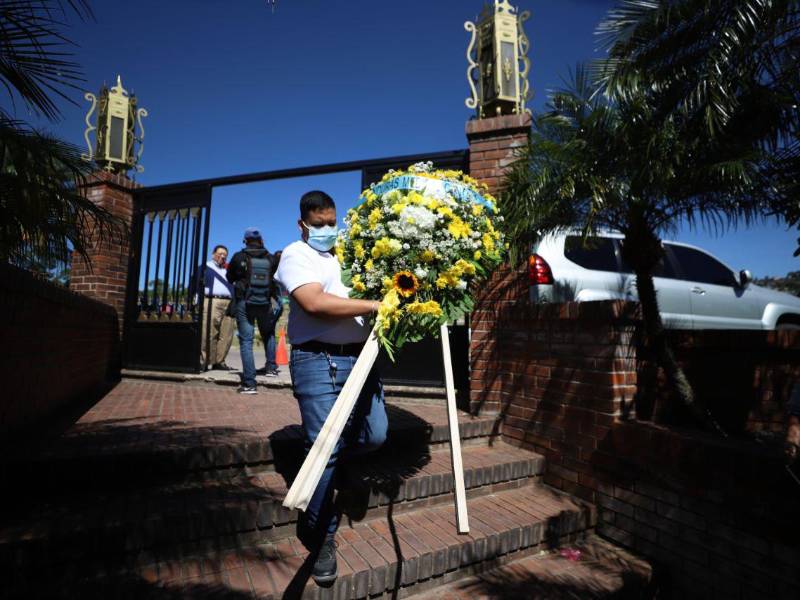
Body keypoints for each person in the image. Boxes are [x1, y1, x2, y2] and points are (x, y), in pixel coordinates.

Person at [275, 190, 386, 585]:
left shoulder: (352, 257)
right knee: (323, 449)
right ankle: (319, 534)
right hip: (318, 360)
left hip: (360, 359)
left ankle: (331, 464)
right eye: (318, 223)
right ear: (302, 224)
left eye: (331, 222)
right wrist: (377, 305)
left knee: (376, 435)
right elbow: (314, 303)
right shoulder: (296, 254)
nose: (326, 229)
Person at [226, 228, 278, 393]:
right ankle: (270, 368)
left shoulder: (238, 257)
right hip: (265, 303)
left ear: (245, 241)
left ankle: (249, 383)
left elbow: (230, 277)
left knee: (246, 341)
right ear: (261, 241)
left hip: (245, 303)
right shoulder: (271, 259)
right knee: (268, 334)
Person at [199, 245, 235, 370]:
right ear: (213, 254)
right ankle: (205, 360)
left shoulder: (229, 269)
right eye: (220, 253)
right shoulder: (205, 267)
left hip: (229, 302)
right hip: (212, 300)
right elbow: (195, 283)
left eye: (225, 254)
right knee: (209, 331)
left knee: (227, 333)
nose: (223, 256)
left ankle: (219, 361)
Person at [262, 250, 284, 376]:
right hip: (276, 304)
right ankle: (270, 364)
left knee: (268, 334)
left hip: (273, 304)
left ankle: (271, 365)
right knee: (268, 333)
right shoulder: (284, 271)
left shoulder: (274, 273)